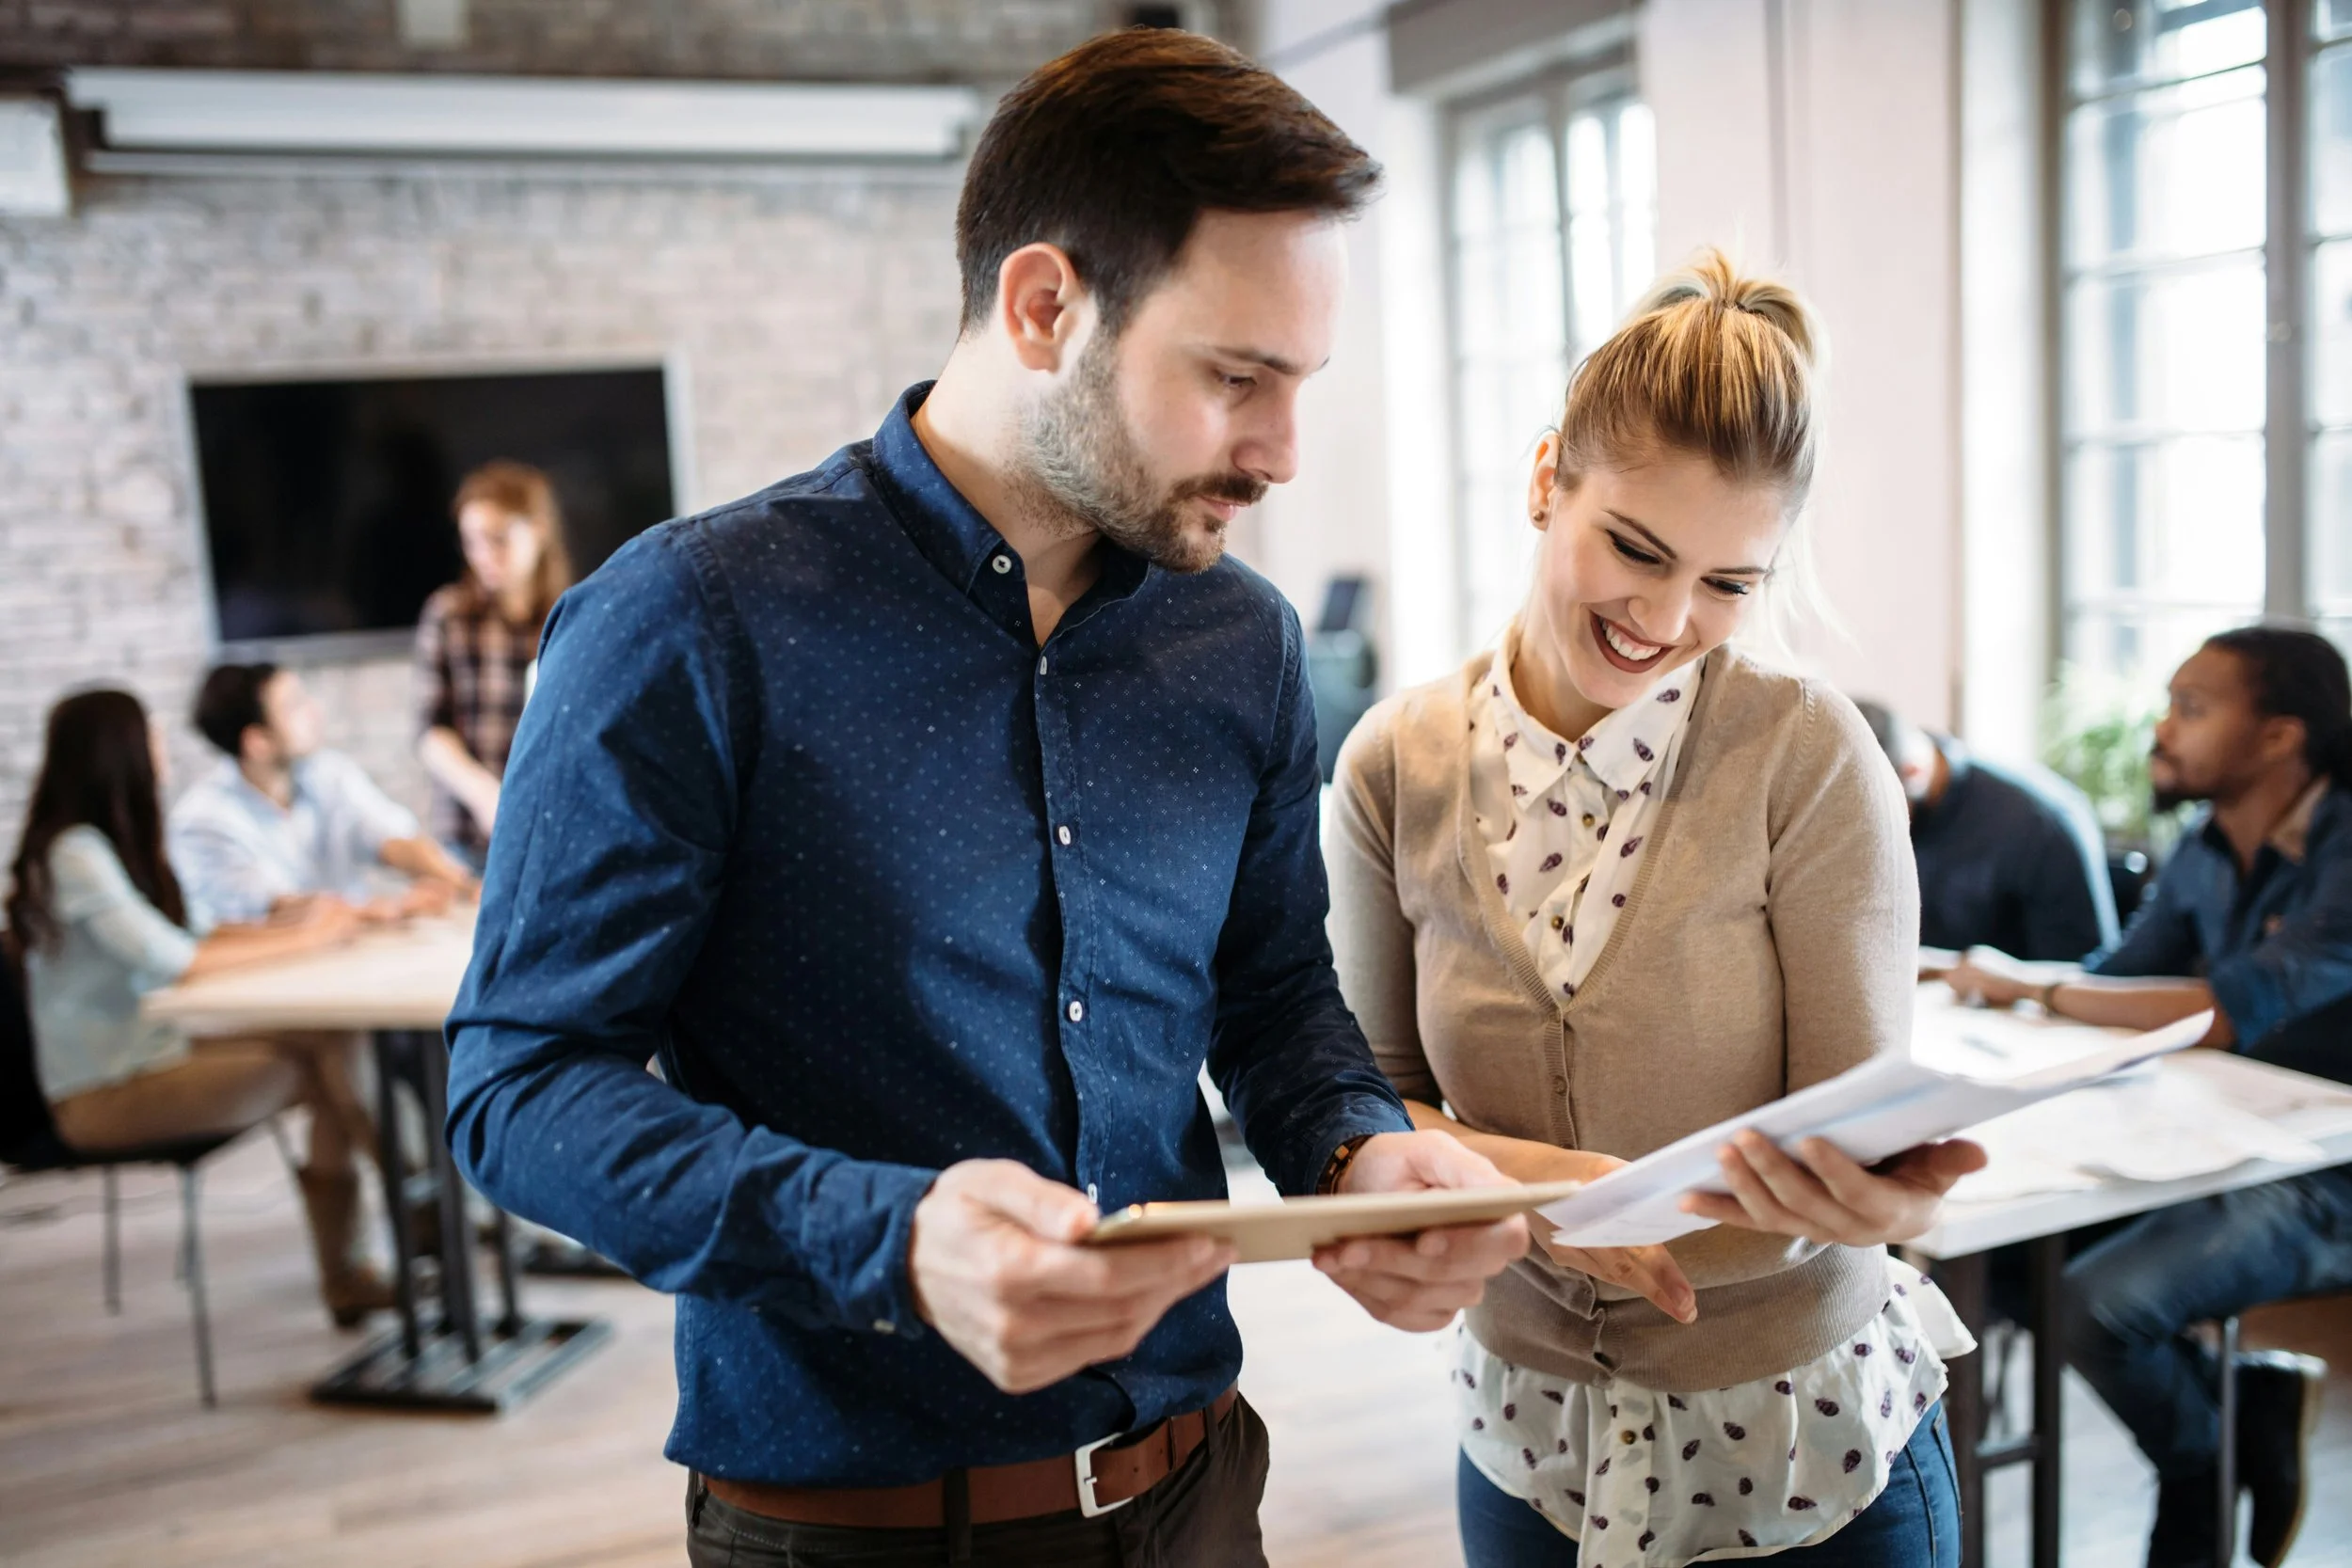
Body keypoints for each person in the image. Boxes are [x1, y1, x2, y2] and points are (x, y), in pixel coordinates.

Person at [443, 30, 1529, 1567]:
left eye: (1302, 386)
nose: (1282, 451)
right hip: (859, 1529)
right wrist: (886, 1237)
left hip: (1202, 1497)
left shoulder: (1240, 640)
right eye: (1236, 379)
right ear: (1043, 307)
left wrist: (1358, 1151)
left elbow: (1273, 1002)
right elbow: (520, 1087)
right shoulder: (688, 621)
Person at [1326, 252, 1989, 1567]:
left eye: (1730, 582)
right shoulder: (1394, 765)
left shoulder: (1807, 755)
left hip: (1805, 1443)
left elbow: (1846, 1133)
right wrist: (1566, 1191)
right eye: (1633, 546)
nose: (1666, 617)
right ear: (1543, 479)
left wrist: (1880, 1195)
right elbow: (1363, 1100)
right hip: (1530, 1433)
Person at [1945, 626, 2352, 1568]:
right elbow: (2120, 979)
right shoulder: (2208, 844)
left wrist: (2026, 986)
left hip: (2329, 1167)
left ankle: (2198, 1468)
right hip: (2224, 1139)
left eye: (2192, 707)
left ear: (2279, 736)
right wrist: (2017, 989)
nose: (2159, 729)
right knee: (2012, 1269)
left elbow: (2223, 1008)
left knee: (2092, 1305)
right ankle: (2235, 1406)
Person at [4, 689, 391, 1324]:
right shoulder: (74, 854)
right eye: (152, 736)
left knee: (334, 1038)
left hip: (154, 1054)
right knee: (331, 1063)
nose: (162, 750)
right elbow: (171, 958)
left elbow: (203, 928)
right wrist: (312, 937)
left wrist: (319, 918)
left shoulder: (115, 842)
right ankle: (415, 1216)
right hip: (102, 1093)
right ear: (118, 750)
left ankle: (400, 1227)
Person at [169, 661, 476, 927]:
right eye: (294, 706)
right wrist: (391, 909)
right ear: (257, 741)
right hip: (264, 978)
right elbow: (274, 908)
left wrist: (461, 884)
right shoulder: (203, 821)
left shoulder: (327, 773)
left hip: (343, 953)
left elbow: (392, 837)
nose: (315, 712)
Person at [1854, 698, 2119, 962]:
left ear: (1914, 772)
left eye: (1874, 815)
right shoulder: (1902, 797)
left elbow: (2081, 968)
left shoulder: (2039, 823)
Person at [413, 459, 570, 864]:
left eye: (498, 539)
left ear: (538, 530)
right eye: (472, 541)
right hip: (470, 837)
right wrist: (485, 794)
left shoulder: (572, 616)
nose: (484, 555)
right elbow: (432, 730)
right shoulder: (449, 616)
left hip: (555, 831)